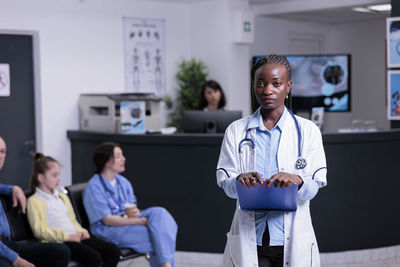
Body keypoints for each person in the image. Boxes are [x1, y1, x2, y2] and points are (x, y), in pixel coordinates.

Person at [216, 55, 327, 267]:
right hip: (251, 240)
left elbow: (314, 187)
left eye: (276, 83)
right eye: (260, 83)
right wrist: (239, 180)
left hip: (292, 239)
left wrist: (298, 181)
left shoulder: (308, 131)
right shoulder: (236, 131)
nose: (267, 90)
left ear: (288, 86)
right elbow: (227, 186)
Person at [83, 142, 178, 267]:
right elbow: (107, 220)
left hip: (128, 222)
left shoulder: (123, 182)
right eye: (118, 156)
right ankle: (166, 265)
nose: (124, 159)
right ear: (106, 162)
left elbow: (132, 206)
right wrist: (138, 221)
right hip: (109, 230)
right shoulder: (93, 187)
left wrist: (136, 213)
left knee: (161, 213)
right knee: (159, 235)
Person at [27, 153, 120, 267]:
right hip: (60, 242)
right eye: (54, 175)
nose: (59, 178)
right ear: (41, 178)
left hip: (75, 237)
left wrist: (81, 231)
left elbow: (72, 220)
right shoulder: (34, 201)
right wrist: (68, 237)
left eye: (59, 175)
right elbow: (39, 231)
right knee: (94, 258)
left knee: (113, 251)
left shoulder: (62, 197)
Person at [0, 137, 70, 267]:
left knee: (60, 251)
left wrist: (13, 188)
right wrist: (16, 259)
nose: (0, 156)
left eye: (3, 151)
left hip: (7, 244)